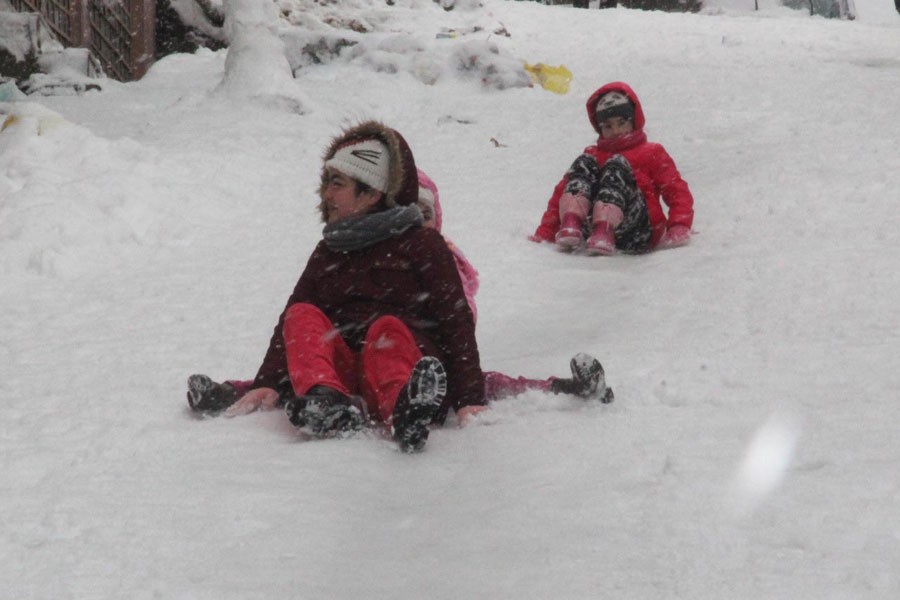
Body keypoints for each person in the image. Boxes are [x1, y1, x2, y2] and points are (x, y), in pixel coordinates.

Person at [189, 121, 484, 452]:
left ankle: (406, 410)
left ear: (371, 192)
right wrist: (268, 383)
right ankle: (325, 400)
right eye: (326, 183)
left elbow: (456, 322)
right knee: (302, 314)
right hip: (346, 369)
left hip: (402, 364)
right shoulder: (329, 249)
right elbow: (292, 319)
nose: (326, 194)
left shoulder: (423, 245)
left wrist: (470, 397)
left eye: (337, 184)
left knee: (386, 329)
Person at [415, 169, 613, 404]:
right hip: (409, 361)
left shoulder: (444, 258)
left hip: (445, 361)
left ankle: (561, 389)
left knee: (495, 384)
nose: (419, 224)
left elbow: (463, 311)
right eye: (411, 215)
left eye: (425, 215)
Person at [531, 81, 694, 255]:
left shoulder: (652, 152)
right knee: (584, 162)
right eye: (608, 126)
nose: (616, 130)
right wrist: (545, 233)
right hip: (591, 231)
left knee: (617, 165)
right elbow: (561, 193)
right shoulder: (593, 155)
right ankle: (573, 222)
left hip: (637, 231)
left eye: (621, 123)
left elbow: (675, 189)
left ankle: (606, 228)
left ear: (633, 122)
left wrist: (679, 225)